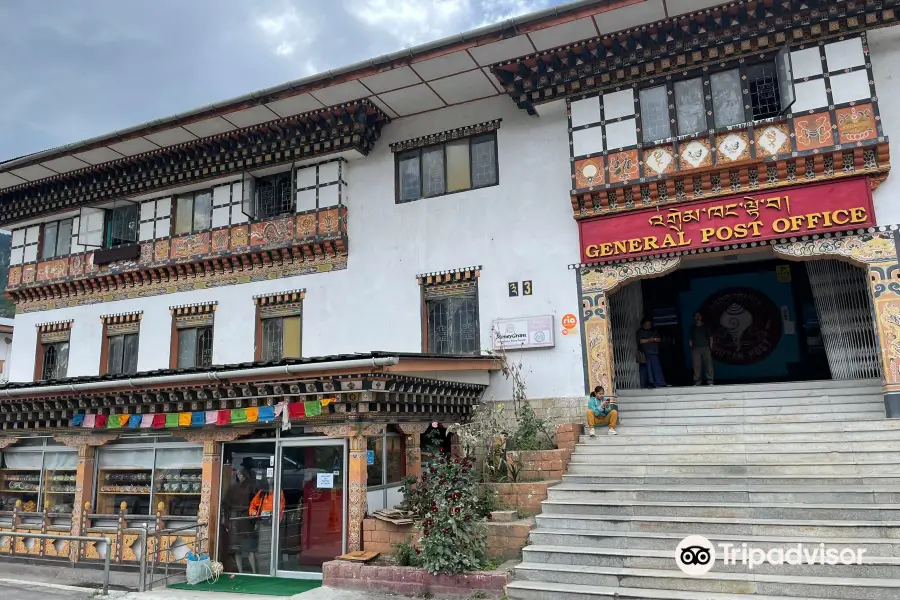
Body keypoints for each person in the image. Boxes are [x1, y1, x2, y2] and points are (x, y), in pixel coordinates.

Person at [637, 318, 666, 388]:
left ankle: (659, 382)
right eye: (647, 324)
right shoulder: (640, 332)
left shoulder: (652, 331)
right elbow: (640, 341)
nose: (648, 326)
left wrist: (655, 339)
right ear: (643, 324)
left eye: (649, 324)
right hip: (645, 352)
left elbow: (659, 339)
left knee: (656, 368)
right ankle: (650, 383)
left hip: (654, 352)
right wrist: (649, 340)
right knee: (648, 369)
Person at [689, 311, 714, 386]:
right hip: (696, 349)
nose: (697, 317)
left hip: (706, 347)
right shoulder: (692, 327)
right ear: (694, 318)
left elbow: (711, 337)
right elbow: (690, 339)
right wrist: (692, 347)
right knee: (696, 366)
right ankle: (697, 381)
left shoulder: (706, 326)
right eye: (696, 316)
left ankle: (710, 381)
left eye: (699, 316)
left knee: (708, 365)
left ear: (701, 317)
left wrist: (710, 347)